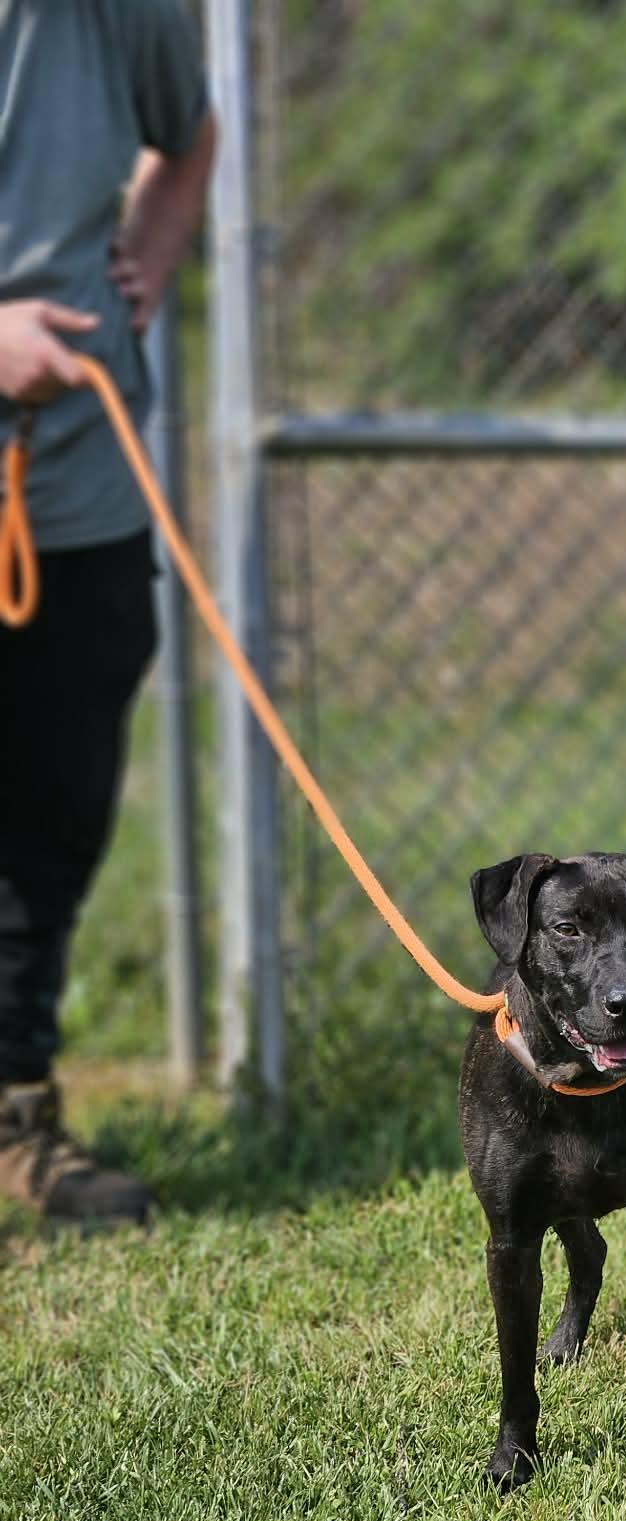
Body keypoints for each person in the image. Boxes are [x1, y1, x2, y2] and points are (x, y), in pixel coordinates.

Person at [0, 1, 216, 1224]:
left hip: (80, 486)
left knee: (52, 818)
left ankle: (17, 1118)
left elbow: (188, 135)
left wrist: (154, 246)